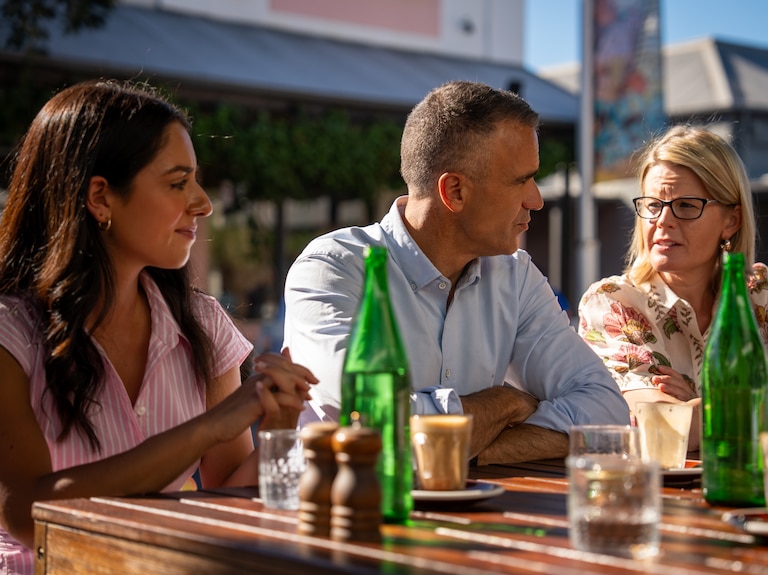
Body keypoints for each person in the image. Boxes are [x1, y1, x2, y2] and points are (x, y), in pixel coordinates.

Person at [0, 80, 317, 575]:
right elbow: (26, 514)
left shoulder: (202, 325)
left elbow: (229, 493)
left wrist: (279, 427)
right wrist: (209, 427)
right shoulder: (12, 335)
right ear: (100, 198)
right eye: (177, 183)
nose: (202, 203)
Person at [283, 80, 629, 465]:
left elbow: (606, 413)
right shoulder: (332, 267)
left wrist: (470, 451)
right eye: (521, 181)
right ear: (455, 192)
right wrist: (506, 404)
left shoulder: (515, 276)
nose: (536, 199)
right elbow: (380, 422)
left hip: (471, 516)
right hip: (343, 516)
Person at [577, 125, 768, 449]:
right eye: (653, 205)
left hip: (755, 492)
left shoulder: (760, 291)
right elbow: (661, 430)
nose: (663, 221)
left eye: (687, 205)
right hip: (659, 495)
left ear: (731, 221)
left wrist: (698, 402)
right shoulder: (613, 301)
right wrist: (749, 404)